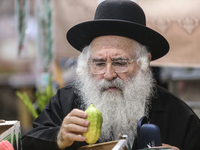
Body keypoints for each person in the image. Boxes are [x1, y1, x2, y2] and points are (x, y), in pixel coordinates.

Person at [21, 0, 200, 150]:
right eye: (98, 63)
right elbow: (26, 144)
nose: (108, 74)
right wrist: (58, 137)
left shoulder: (177, 115)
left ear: (144, 63)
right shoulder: (65, 102)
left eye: (120, 63)